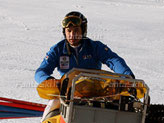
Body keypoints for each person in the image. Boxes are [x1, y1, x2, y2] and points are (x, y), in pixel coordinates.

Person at [35, 11, 135, 122]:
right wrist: (50, 81)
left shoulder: (94, 47)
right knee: (52, 106)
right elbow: (41, 71)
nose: (72, 35)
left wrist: (127, 76)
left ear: (83, 30)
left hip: (96, 93)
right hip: (67, 95)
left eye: (76, 30)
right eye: (69, 31)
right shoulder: (58, 49)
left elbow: (113, 60)